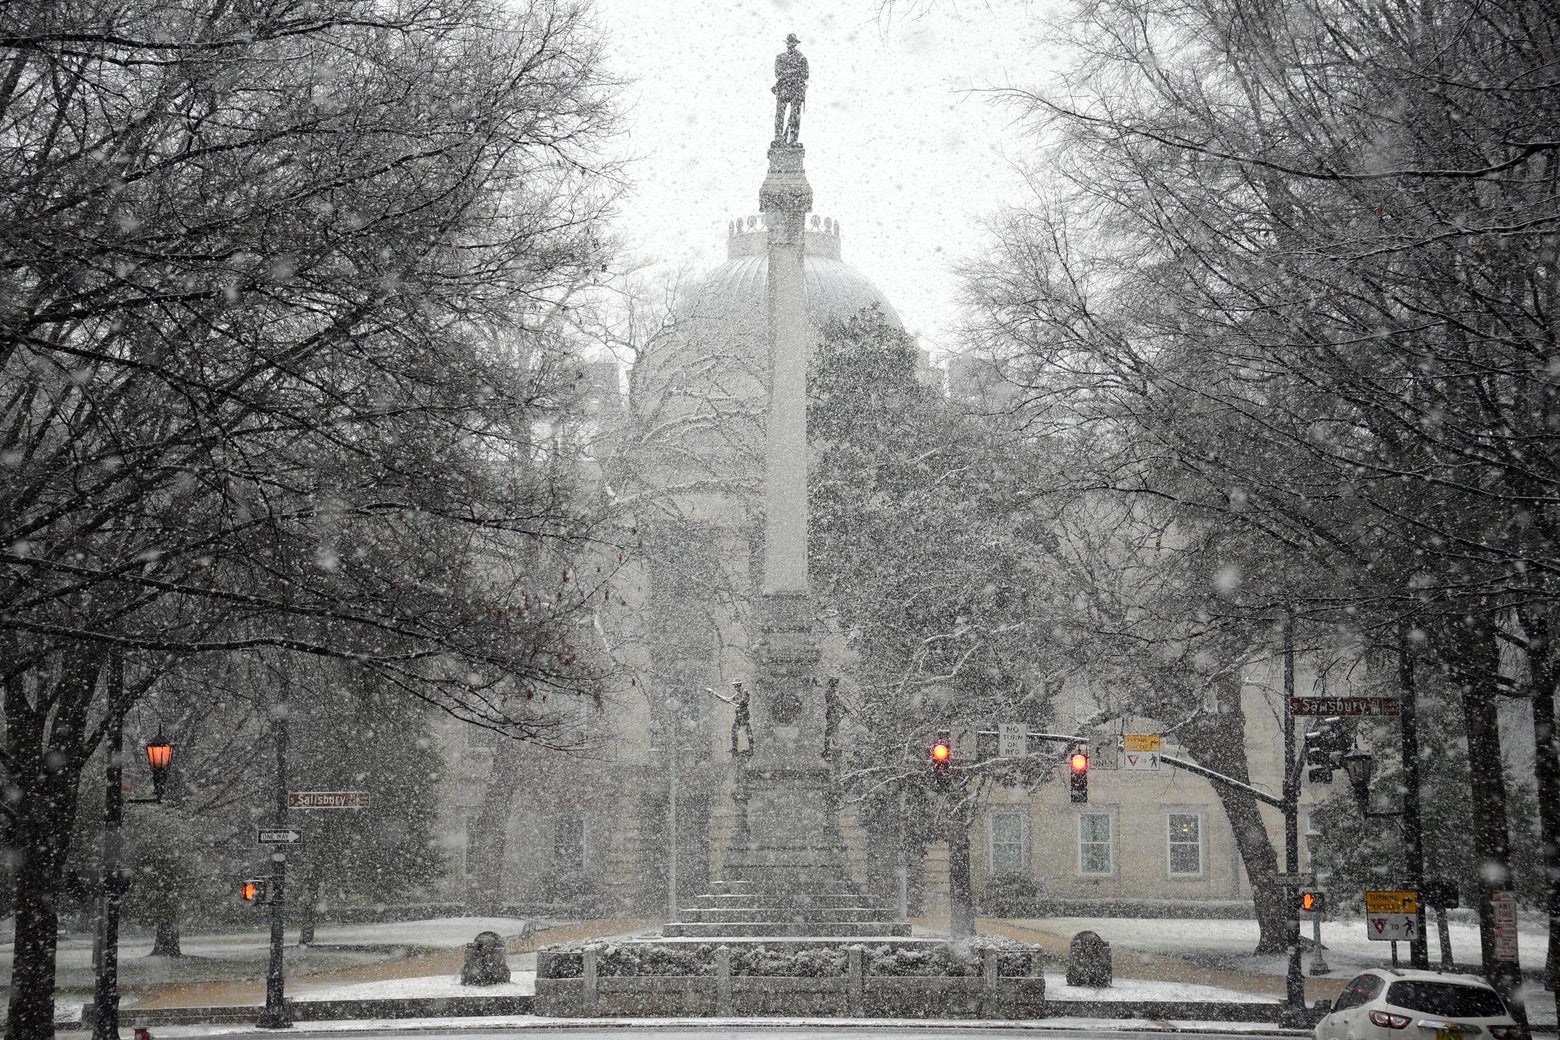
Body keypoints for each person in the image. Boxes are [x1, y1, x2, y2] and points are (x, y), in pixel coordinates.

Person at [772, 34, 808, 144]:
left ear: (795, 44)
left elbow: (805, 75)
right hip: (784, 89)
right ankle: (779, 139)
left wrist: (788, 75)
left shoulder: (802, 58)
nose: (791, 45)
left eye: (793, 43)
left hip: (796, 90)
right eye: (789, 43)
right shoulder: (780, 58)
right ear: (787, 44)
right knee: (780, 116)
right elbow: (778, 74)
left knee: (795, 117)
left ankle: (793, 141)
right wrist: (794, 74)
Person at [707, 681, 754, 755]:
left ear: (740, 685)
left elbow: (744, 701)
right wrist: (716, 695)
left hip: (743, 714)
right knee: (734, 730)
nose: (736, 688)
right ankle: (735, 748)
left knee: (748, 732)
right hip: (739, 715)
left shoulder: (745, 692)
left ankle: (751, 749)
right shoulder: (737, 694)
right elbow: (729, 699)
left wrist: (737, 703)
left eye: (737, 686)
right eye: (735, 686)